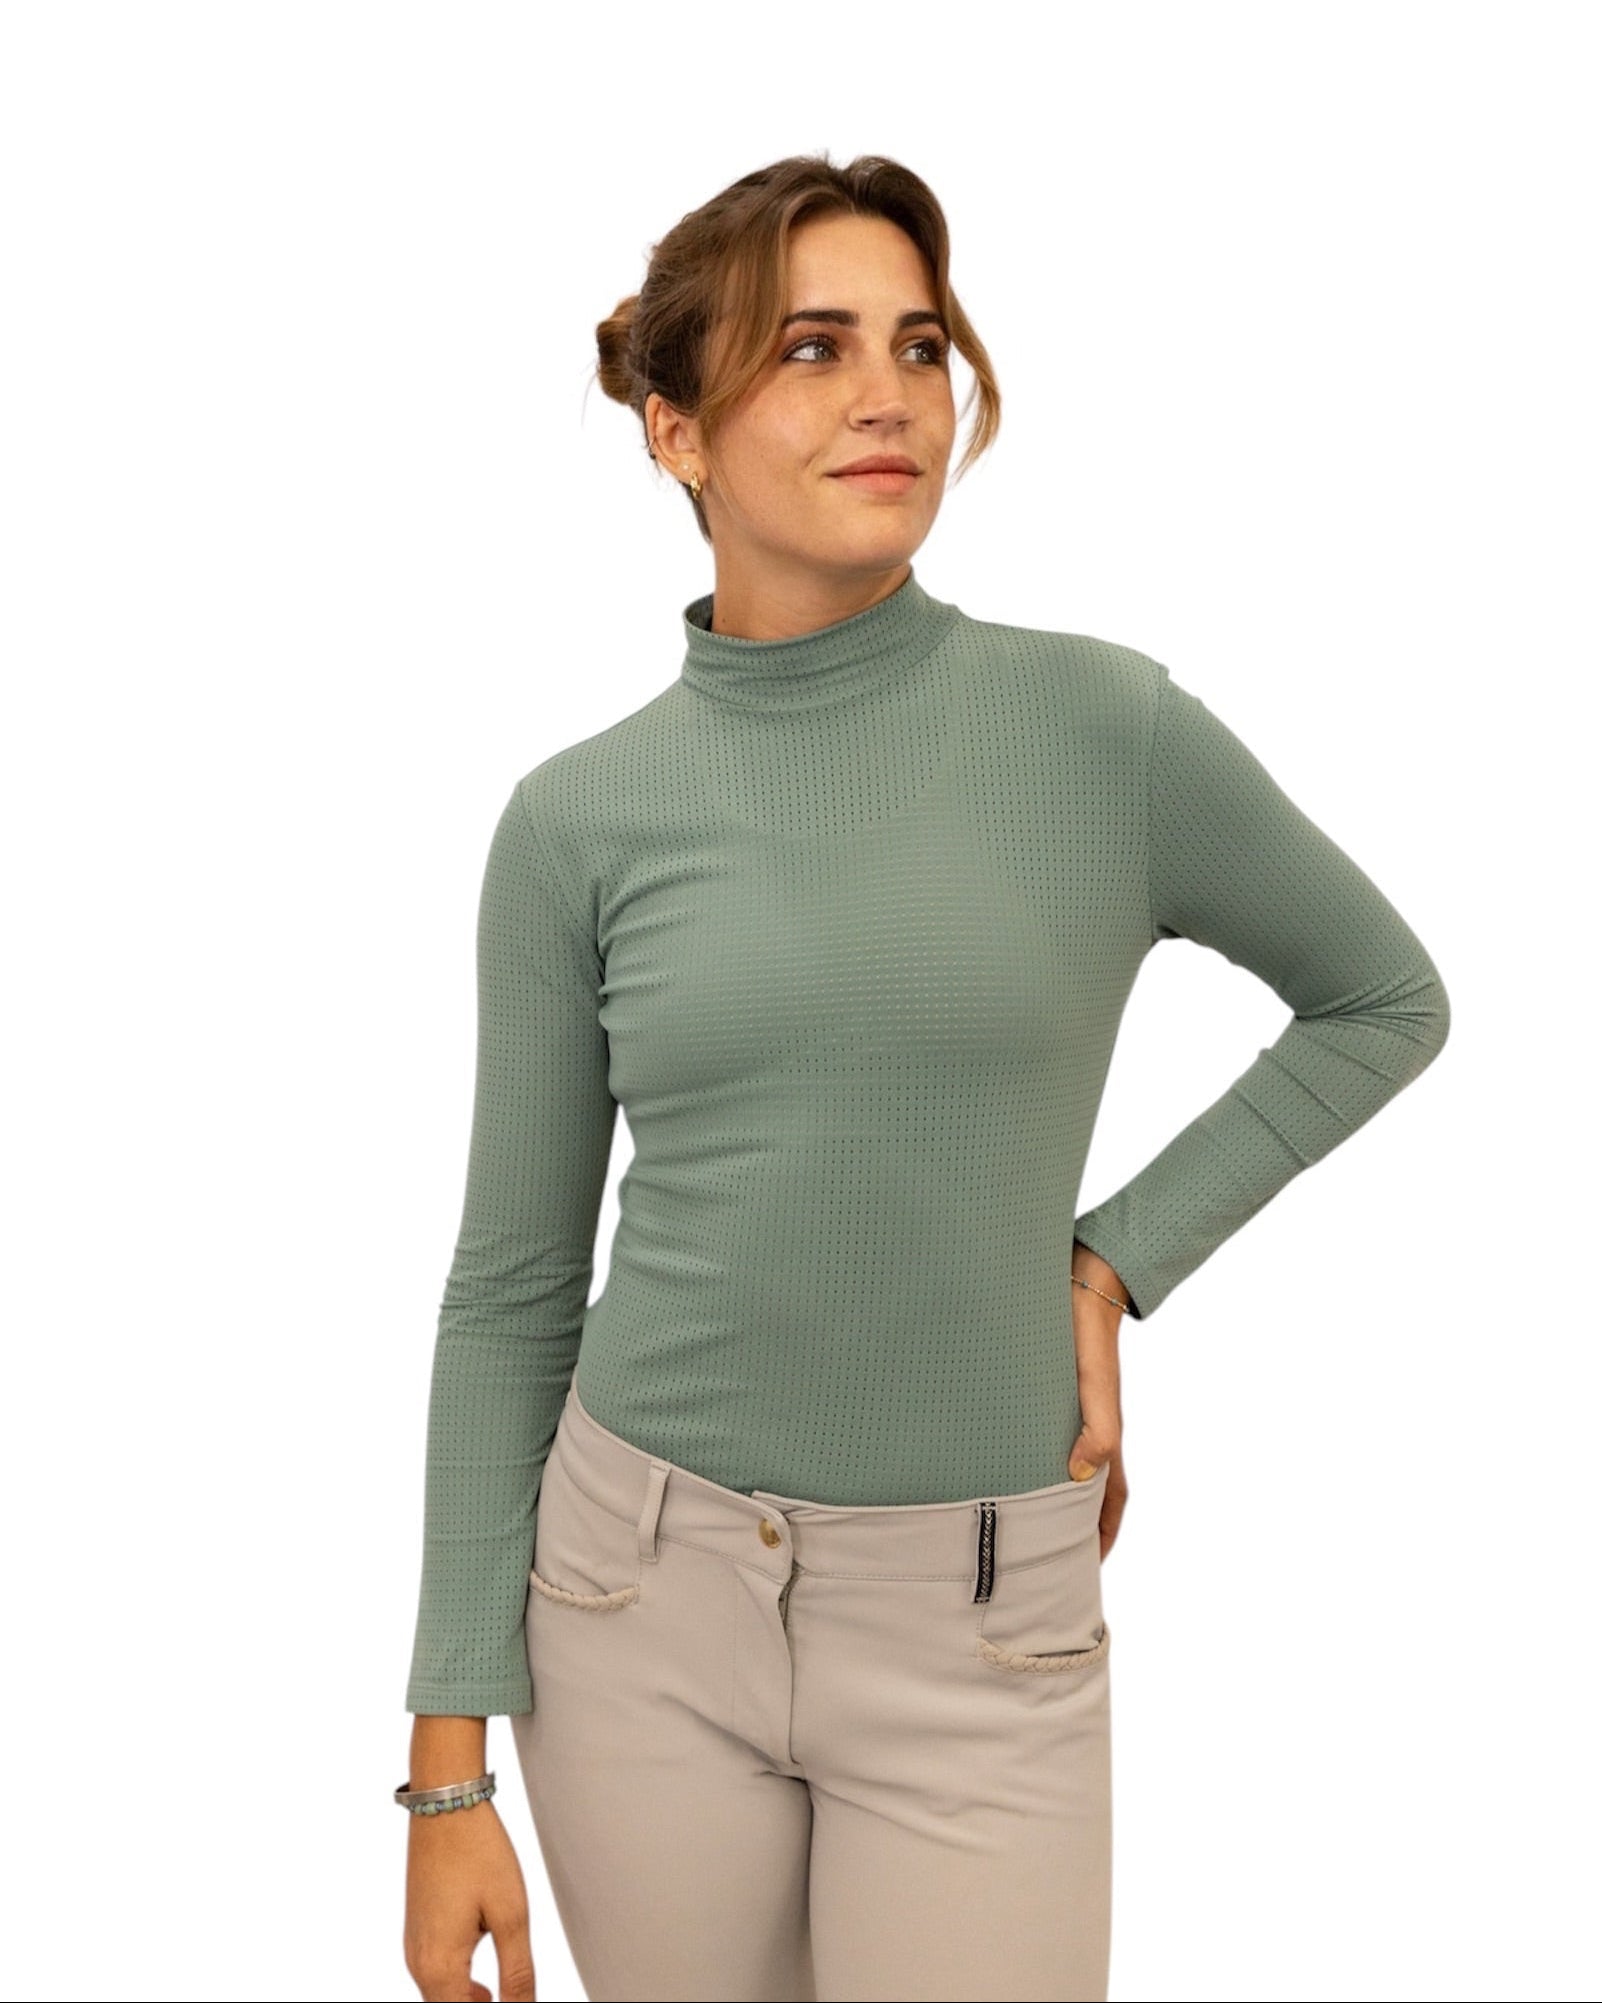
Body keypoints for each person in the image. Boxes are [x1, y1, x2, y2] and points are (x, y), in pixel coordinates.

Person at [397, 153, 1451, 2003]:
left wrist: (1109, 1263)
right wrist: (444, 1768)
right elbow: (511, 1287)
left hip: (978, 1619)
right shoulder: (577, 822)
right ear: (672, 432)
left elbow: (1379, 1000)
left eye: (918, 344)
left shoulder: (1102, 730)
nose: (888, 394)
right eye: (810, 348)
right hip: (632, 1607)